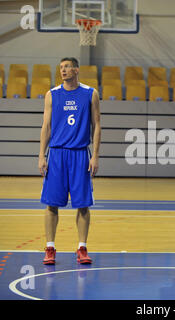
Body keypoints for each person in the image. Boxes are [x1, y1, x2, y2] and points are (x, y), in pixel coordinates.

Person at [38, 57, 101, 265]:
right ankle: (50, 247)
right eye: (61, 67)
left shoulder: (90, 94)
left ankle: (82, 247)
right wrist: (41, 155)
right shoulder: (52, 94)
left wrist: (95, 155)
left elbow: (97, 125)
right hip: (56, 154)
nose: (63, 70)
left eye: (67, 67)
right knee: (51, 204)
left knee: (83, 205)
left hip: (79, 154)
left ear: (76, 70)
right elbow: (46, 127)